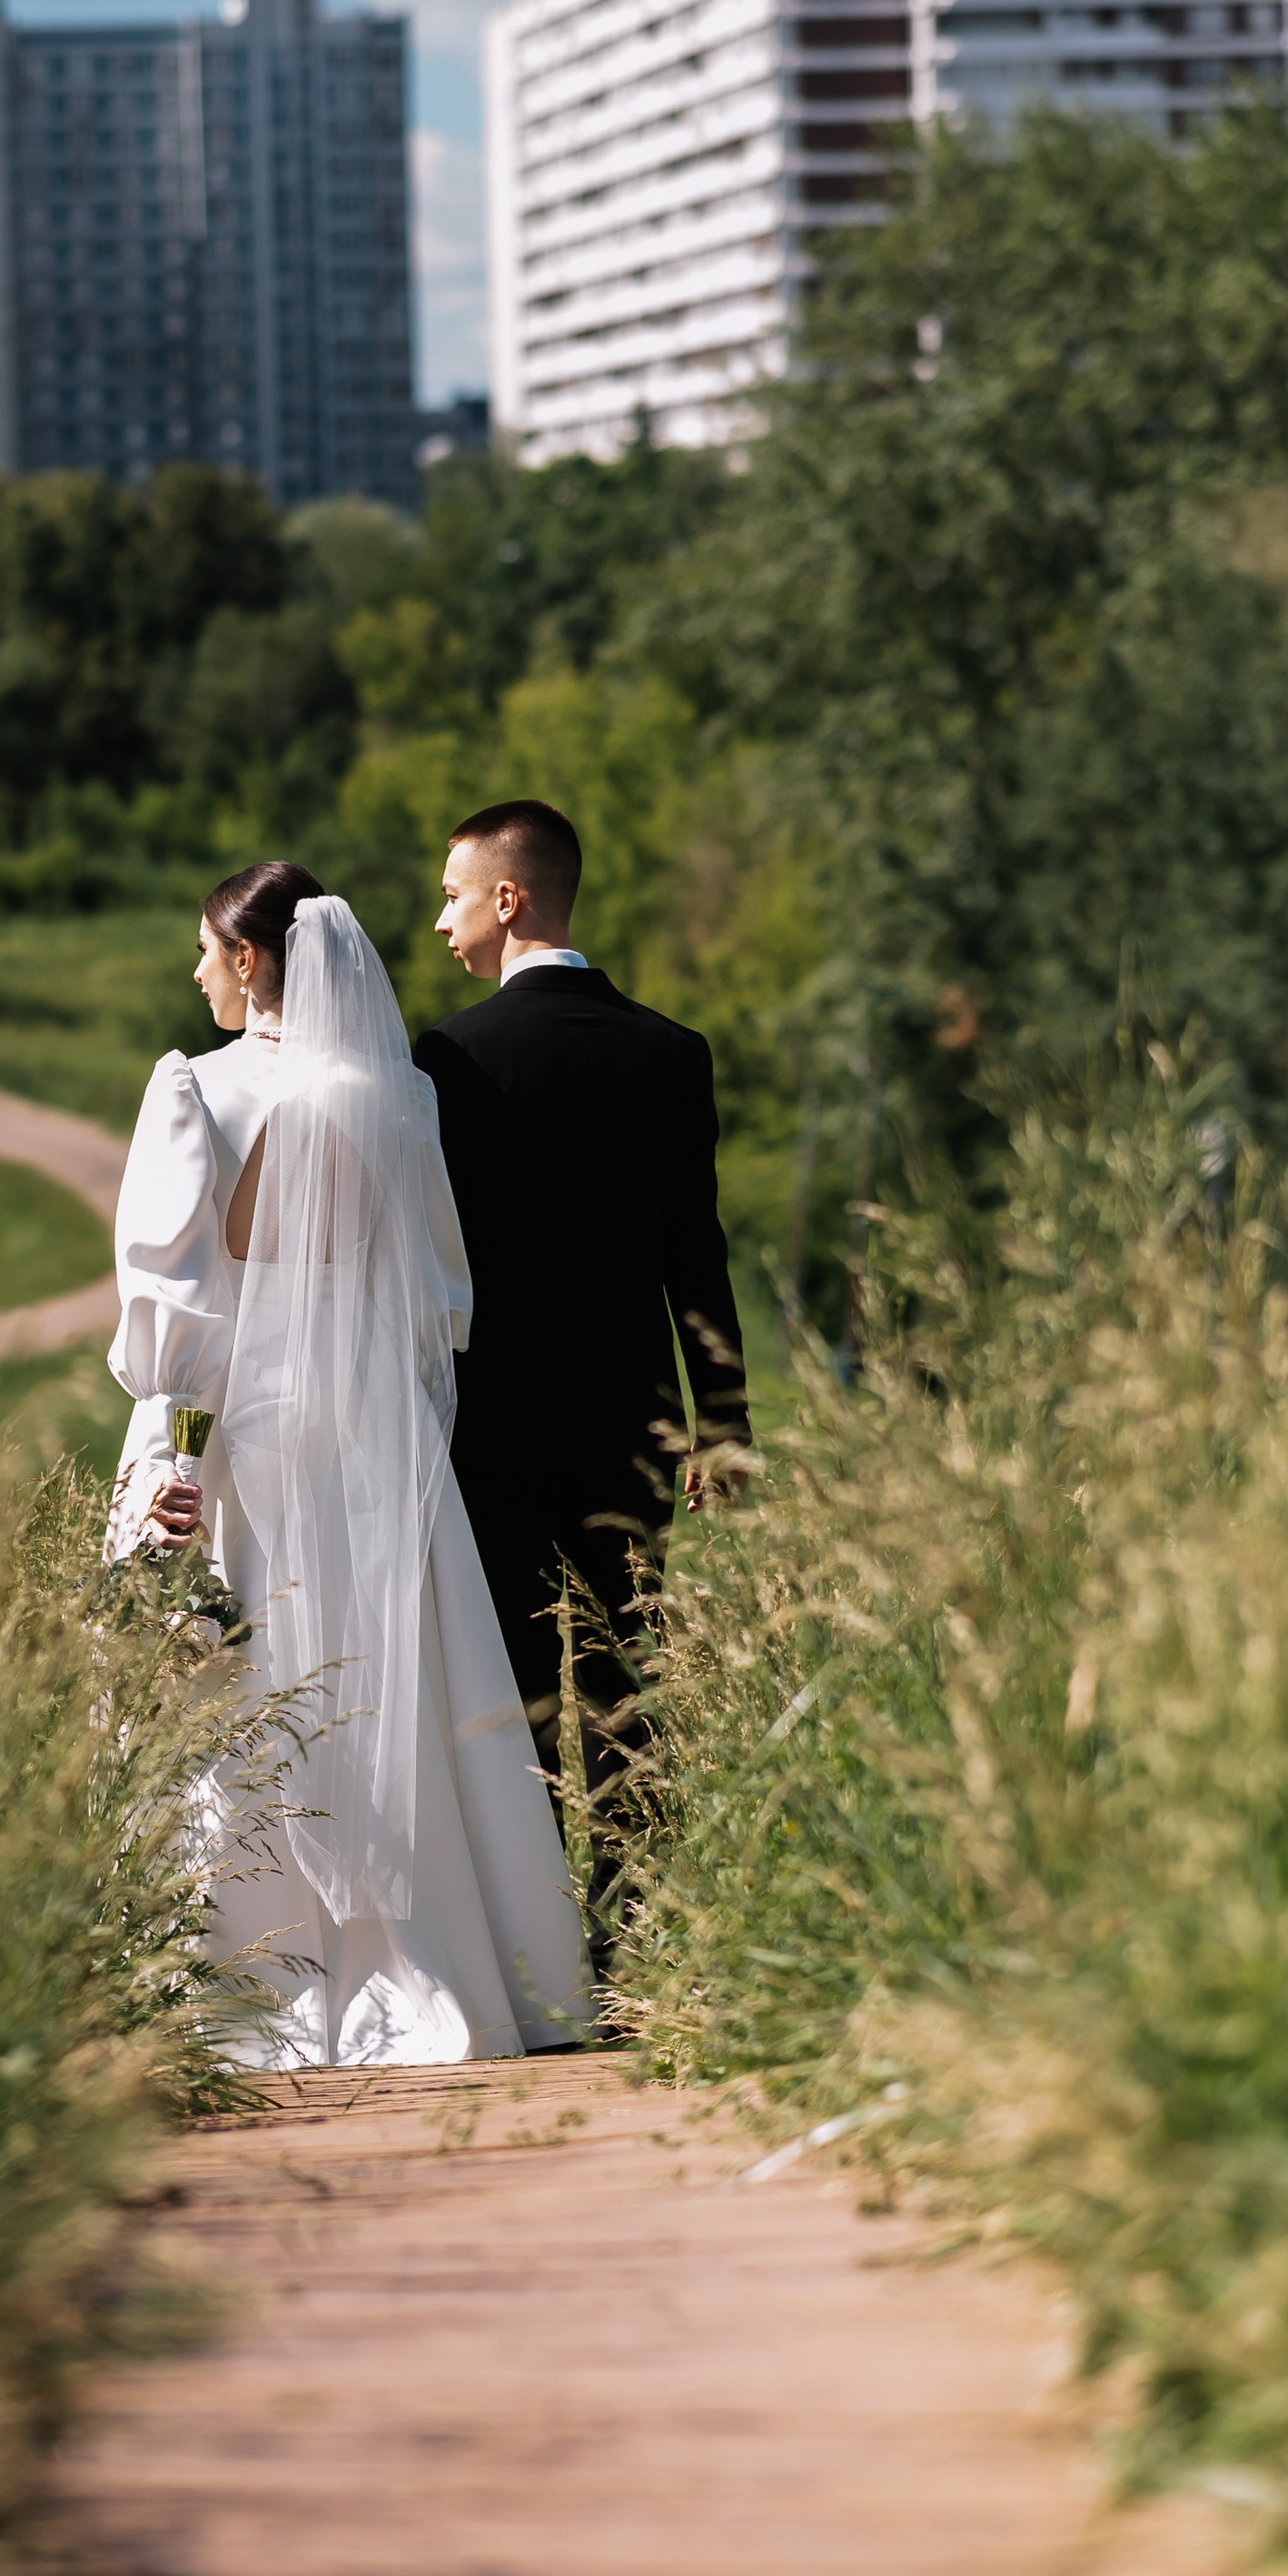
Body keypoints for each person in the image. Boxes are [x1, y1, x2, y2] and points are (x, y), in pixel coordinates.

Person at [105, 864, 591, 2068]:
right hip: (373, 1438)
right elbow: (441, 1304)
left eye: (208, 952)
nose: (199, 973)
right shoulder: (403, 1098)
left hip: (233, 1431)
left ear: (255, 958)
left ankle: (228, 1977)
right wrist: (403, 1425)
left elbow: (166, 1309)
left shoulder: (193, 1092)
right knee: (393, 1688)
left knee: (231, 1678)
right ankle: (436, 1973)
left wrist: (170, 1457)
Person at [413, 797, 748, 1954]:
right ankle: (635, 1938)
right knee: (623, 1681)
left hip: (490, 1434)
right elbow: (694, 1250)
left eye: (454, 894)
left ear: (510, 897)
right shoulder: (671, 1052)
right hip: (631, 1427)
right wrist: (724, 1421)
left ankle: (526, 1948)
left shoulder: (450, 1058)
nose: (443, 922)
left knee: (503, 1695)